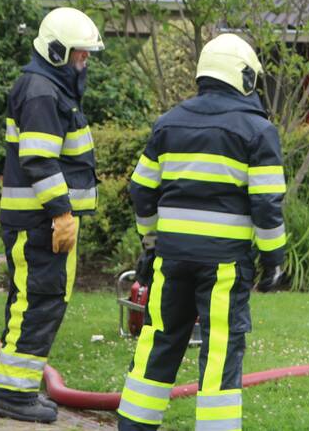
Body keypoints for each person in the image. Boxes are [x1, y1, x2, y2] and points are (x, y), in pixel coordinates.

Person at [116, 33, 287, 431]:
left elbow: (141, 190)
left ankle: (134, 426)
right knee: (221, 351)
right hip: (224, 265)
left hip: (171, 259)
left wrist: (151, 242)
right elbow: (266, 204)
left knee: (159, 340)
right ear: (244, 77)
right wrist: (273, 259)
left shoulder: (168, 123)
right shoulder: (258, 131)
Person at [0, 7, 104, 424]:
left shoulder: (50, 88)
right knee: (35, 303)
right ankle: (13, 398)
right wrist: (60, 212)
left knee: (42, 302)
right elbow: (38, 159)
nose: (85, 61)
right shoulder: (41, 91)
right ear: (57, 51)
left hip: (43, 222)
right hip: (39, 222)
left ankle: (18, 392)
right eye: (80, 54)